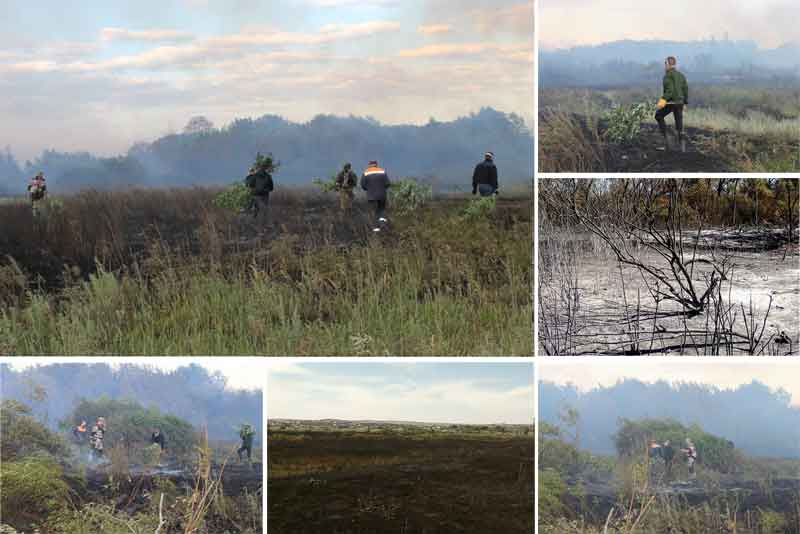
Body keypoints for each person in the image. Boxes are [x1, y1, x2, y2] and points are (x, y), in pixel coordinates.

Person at [656, 56, 689, 152]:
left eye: (665, 64)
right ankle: (682, 149)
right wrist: (685, 102)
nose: (664, 66)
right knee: (679, 123)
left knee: (658, 115)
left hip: (671, 102)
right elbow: (685, 90)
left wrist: (662, 101)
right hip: (680, 103)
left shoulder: (667, 76)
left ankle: (668, 142)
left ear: (668, 64)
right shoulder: (681, 75)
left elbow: (670, 91)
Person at [360, 160, 391, 232]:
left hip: (371, 196)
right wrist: (382, 188)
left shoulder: (366, 172)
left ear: (369, 165)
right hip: (382, 195)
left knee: (373, 211)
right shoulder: (382, 171)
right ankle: (382, 222)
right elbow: (388, 184)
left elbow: (362, 185)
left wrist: (368, 189)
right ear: (376, 164)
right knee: (381, 208)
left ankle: (376, 228)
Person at [245, 154, 275, 218]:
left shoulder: (254, 176)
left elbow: (248, 184)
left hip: (255, 195)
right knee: (264, 212)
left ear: (258, 168)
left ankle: (253, 219)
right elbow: (271, 188)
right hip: (265, 196)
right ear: (265, 168)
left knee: (254, 211)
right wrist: (266, 190)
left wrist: (249, 175)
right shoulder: (268, 176)